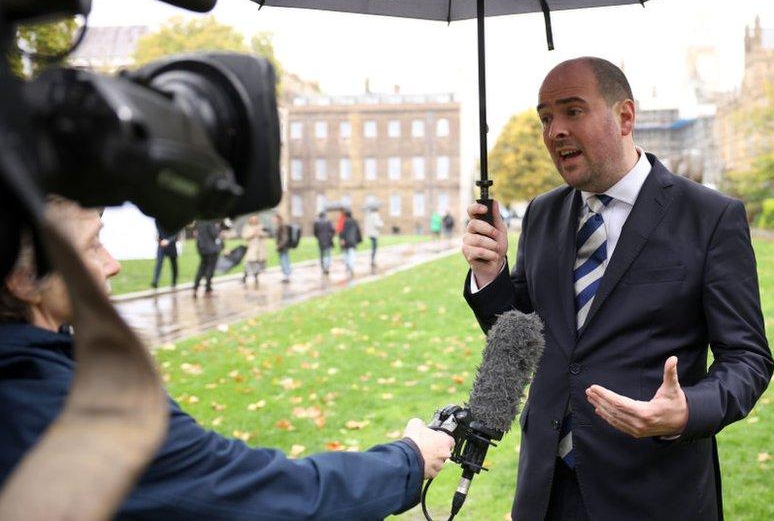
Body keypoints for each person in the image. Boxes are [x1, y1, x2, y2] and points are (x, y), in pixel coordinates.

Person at [0, 197, 455, 519]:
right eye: (92, 245)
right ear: (23, 278)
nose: (112, 263)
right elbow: (272, 497)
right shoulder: (78, 412)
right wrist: (409, 460)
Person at [461, 57, 774, 520]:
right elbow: (522, 338)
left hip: (654, 492)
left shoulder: (709, 217)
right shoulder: (543, 214)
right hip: (546, 492)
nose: (555, 131)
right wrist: (490, 274)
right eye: (545, 118)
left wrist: (688, 410)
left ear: (625, 117)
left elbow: (748, 357)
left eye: (572, 111)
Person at [192, 219, 221, 297]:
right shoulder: (210, 221)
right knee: (210, 269)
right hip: (211, 249)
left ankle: (195, 287)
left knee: (201, 268)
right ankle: (208, 288)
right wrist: (217, 228)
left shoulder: (198, 221)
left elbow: (195, 233)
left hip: (202, 248)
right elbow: (215, 234)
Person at [150, 221, 179, 289]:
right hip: (161, 244)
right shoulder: (158, 221)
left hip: (171, 245)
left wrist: (168, 240)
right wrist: (158, 238)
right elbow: (158, 230)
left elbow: (176, 233)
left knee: (173, 264)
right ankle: (155, 282)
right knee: (159, 263)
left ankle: (174, 282)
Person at [241, 215, 267, 285]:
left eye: (255, 219)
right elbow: (244, 236)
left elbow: (265, 234)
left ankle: (256, 277)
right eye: (253, 219)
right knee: (249, 263)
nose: (254, 221)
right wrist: (253, 234)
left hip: (260, 249)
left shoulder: (261, 226)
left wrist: (260, 233)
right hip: (251, 248)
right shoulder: (247, 227)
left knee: (258, 264)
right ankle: (244, 277)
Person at [339, 209, 362, 277]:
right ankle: (351, 266)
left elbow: (341, 232)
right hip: (353, 241)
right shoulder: (355, 221)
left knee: (346, 254)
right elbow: (358, 232)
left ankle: (348, 266)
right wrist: (359, 240)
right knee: (352, 254)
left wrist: (342, 239)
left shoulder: (344, 222)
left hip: (346, 241)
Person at [275, 213, 293, 283]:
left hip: (283, 247)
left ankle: (287, 276)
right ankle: (286, 275)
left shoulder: (282, 226)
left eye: (275, 218)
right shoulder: (280, 225)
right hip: (283, 247)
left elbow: (285, 238)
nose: (274, 220)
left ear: (278, 219)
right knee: (284, 260)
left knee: (284, 261)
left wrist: (279, 246)